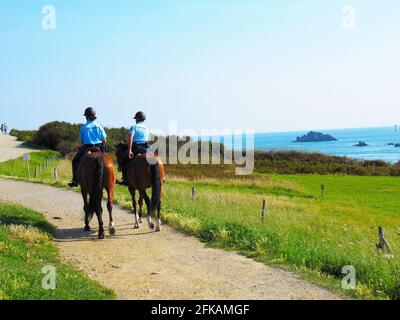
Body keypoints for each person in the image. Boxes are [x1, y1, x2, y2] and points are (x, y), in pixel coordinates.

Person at [68, 107, 107, 188]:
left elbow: (82, 141)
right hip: (99, 146)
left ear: (87, 117)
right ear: (94, 116)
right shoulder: (99, 126)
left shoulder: (83, 127)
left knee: (75, 161)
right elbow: (104, 141)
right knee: (107, 160)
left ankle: (74, 180)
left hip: (87, 147)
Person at [119, 111, 150, 185]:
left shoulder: (134, 127)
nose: (135, 120)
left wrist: (129, 150)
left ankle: (125, 178)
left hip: (137, 147)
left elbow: (130, 139)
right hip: (146, 148)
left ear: (137, 119)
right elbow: (148, 140)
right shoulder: (147, 128)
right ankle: (162, 176)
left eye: (136, 118)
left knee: (124, 160)